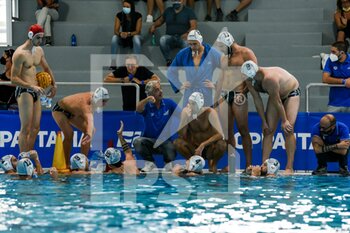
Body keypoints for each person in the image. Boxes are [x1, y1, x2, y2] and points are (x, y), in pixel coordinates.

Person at [214, 30, 264, 170]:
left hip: (238, 94)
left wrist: (245, 91)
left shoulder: (246, 53)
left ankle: (248, 164)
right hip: (225, 94)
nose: (221, 50)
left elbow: (255, 73)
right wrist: (215, 100)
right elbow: (220, 79)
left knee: (243, 129)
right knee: (228, 131)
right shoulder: (224, 58)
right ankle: (231, 164)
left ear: (229, 44)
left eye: (223, 47)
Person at [241, 60, 300, 174]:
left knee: (288, 129)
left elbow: (278, 101)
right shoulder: (248, 79)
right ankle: (265, 166)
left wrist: (284, 121)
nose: (250, 79)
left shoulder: (269, 79)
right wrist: (264, 122)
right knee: (267, 131)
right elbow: (257, 101)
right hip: (275, 96)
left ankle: (289, 167)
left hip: (291, 93)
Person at [11, 24, 57, 153]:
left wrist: (54, 84)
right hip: (25, 91)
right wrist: (31, 86)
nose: (40, 41)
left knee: (36, 128)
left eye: (42, 38)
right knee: (25, 127)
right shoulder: (20, 54)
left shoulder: (39, 51)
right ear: (31, 36)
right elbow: (14, 78)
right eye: (38, 38)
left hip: (36, 91)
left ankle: (30, 157)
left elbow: (47, 69)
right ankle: (23, 158)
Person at [51, 87, 110, 168]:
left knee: (91, 130)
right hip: (60, 111)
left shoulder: (94, 97)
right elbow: (90, 120)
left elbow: (90, 123)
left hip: (73, 114)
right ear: (97, 99)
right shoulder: (84, 103)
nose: (104, 104)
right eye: (103, 101)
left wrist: (89, 133)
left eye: (105, 101)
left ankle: (82, 162)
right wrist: (89, 134)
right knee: (69, 134)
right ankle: (66, 163)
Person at [167, 29, 226, 107]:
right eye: (190, 44)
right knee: (188, 117)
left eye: (195, 44)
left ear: (200, 41)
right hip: (190, 92)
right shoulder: (184, 53)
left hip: (205, 91)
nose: (192, 47)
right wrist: (179, 85)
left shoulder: (211, 52)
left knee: (206, 117)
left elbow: (226, 68)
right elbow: (170, 71)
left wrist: (216, 85)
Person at [133, 80, 179, 172]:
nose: (161, 91)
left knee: (175, 144)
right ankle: (150, 163)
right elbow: (138, 109)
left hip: (166, 142)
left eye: (160, 88)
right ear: (150, 94)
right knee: (137, 141)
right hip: (150, 142)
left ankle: (168, 164)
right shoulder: (147, 106)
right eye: (157, 90)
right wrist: (146, 100)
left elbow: (181, 114)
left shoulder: (169, 103)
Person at [174, 92, 226, 173]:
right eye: (189, 103)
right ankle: (193, 163)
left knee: (222, 145)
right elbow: (181, 135)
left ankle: (213, 164)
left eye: (193, 104)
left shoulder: (210, 112)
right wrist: (185, 119)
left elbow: (220, 134)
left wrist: (203, 145)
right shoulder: (186, 112)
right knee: (177, 143)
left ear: (199, 104)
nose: (190, 106)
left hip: (209, 148)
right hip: (194, 149)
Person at [149, 0, 197, 66]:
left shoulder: (189, 11)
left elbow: (193, 26)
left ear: (183, 1)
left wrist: (187, 33)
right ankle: (169, 60)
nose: (176, 2)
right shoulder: (168, 11)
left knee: (188, 43)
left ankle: (184, 62)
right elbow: (160, 21)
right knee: (162, 39)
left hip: (183, 37)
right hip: (170, 37)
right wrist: (154, 25)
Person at [111, 0, 142, 68]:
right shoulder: (119, 15)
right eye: (124, 6)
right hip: (123, 37)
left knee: (136, 38)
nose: (125, 8)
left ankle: (137, 63)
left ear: (132, 7)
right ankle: (113, 62)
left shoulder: (138, 15)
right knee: (114, 38)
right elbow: (116, 31)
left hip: (133, 36)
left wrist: (128, 34)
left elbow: (138, 31)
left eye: (127, 7)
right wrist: (120, 34)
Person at [322, 41, 350, 112]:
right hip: (334, 103)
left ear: (342, 53)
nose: (331, 54)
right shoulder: (330, 60)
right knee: (329, 122)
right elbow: (325, 79)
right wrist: (344, 81)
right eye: (331, 51)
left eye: (333, 52)